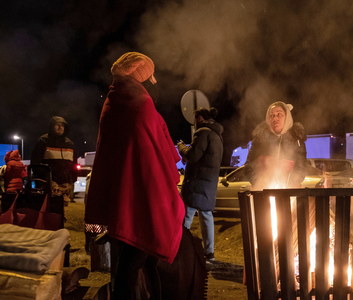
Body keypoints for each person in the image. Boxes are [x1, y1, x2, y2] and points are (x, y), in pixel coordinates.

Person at [84, 52, 187, 299]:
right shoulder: (138, 100)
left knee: (138, 262)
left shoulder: (115, 99)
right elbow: (156, 146)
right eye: (148, 74)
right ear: (140, 73)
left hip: (125, 194)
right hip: (142, 194)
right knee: (134, 263)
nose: (151, 81)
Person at [177, 107, 223, 261]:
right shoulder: (217, 135)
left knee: (187, 215)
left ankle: (182, 248)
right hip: (209, 182)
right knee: (206, 215)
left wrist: (182, 147)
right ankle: (209, 252)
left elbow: (193, 155)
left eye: (195, 118)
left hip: (196, 182)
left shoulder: (202, 132)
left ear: (200, 118)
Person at [244, 101, 308, 189]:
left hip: (289, 192)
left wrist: (290, 181)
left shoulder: (296, 140)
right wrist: (259, 180)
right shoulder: (259, 140)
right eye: (272, 115)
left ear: (287, 118)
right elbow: (248, 167)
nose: (275, 119)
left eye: (279, 115)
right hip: (264, 191)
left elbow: (302, 168)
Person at [31, 116, 77, 205]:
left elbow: (74, 165)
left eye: (62, 126)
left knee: (61, 209)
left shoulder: (69, 144)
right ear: (51, 127)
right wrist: (47, 180)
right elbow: (35, 163)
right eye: (57, 125)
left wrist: (71, 181)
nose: (60, 128)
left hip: (65, 184)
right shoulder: (43, 141)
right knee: (47, 208)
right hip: (47, 184)